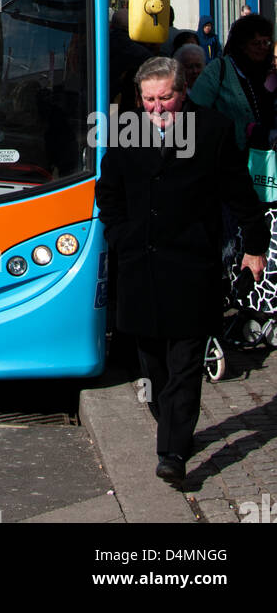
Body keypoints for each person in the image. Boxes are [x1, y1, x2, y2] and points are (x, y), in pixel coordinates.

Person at [96, 56, 268, 486]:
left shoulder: (211, 129)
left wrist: (255, 247)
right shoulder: (124, 131)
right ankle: (172, 426)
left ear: (182, 92)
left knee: (186, 361)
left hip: (192, 265)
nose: (156, 108)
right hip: (140, 265)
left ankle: (171, 451)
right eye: (149, 99)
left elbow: (239, 191)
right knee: (153, 363)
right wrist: (120, 236)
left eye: (165, 98)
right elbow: (108, 192)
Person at [189, 13, 275, 153]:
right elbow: (196, 111)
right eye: (256, 43)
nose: (262, 48)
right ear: (241, 45)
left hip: (266, 159)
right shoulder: (219, 69)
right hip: (229, 157)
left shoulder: (270, 72)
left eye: (266, 42)